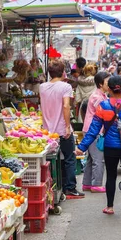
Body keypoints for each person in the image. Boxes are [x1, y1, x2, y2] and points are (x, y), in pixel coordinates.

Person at [75, 76, 121, 217]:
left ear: (109, 88)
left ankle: (110, 207)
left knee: (111, 176)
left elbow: (93, 130)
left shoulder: (103, 106)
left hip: (110, 147)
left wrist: (81, 147)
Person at [40, 60, 84, 197]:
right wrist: (66, 126)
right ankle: (69, 187)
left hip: (47, 131)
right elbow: (66, 106)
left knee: (52, 159)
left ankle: (53, 187)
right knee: (69, 158)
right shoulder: (66, 87)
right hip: (61, 129)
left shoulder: (42, 87)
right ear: (63, 72)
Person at [81, 71, 110, 193]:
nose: (110, 84)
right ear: (100, 84)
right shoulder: (96, 97)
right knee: (98, 159)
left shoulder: (102, 96)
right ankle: (96, 184)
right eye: (107, 82)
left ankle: (87, 184)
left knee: (91, 158)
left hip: (91, 130)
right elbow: (105, 111)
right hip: (93, 131)